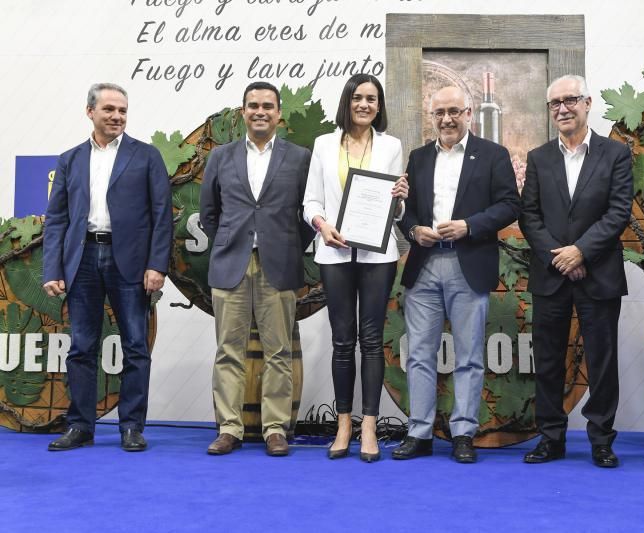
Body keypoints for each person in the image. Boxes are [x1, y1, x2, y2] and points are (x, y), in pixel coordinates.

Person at [392, 86, 520, 463]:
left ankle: (464, 432)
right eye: (439, 113)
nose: (446, 119)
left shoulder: (493, 155)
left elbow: (511, 204)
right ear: (431, 117)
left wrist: (470, 225)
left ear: (468, 114)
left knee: (468, 356)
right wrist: (413, 229)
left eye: (453, 111)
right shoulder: (417, 158)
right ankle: (420, 432)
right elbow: (408, 214)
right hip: (425, 264)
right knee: (419, 355)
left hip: (470, 263)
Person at [43, 83, 172, 452]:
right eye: (109, 110)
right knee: (81, 347)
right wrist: (53, 268)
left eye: (123, 111)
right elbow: (57, 219)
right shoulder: (69, 159)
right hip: (82, 259)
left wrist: (156, 265)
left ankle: (131, 426)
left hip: (129, 261)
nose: (117, 116)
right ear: (90, 112)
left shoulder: (147, 156)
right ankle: (80, 426)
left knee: (135, 346)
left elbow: (162, 217)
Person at [519, 74, 633, 468]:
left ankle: (601, 439)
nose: (562, 109)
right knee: (549, 360)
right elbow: (529, 216)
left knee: (601, 360)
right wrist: (560, 257)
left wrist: (581, 252)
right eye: (555, 103)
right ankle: (551, 437)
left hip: (598, 273)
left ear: (587, 103)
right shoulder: (538, 157)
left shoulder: (615, 154)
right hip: (551, 275)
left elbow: (618, 211)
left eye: (570, 100)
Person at [200, 82, 313, 457]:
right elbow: (210, 214)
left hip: (278, 265)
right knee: (228, 351)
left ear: (279, 113)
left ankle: (275, 428)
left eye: (267, 105)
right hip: (230, 264)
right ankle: (229, 428)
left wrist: (284, 243)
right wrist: (231, 241)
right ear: (242, 112)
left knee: (278, 351)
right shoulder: (220, 156)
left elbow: (308, 215)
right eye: (253, 105)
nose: (260, 111)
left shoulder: (300, 158)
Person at [303, 74, 408, 462]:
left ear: (379, 107)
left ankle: (369, 425)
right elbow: (311, 200)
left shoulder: (391, 146)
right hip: (333, 252)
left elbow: (396, 211)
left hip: (377, 255)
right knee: (343, 341)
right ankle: (343, 423)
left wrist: (400, 199)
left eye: (372, 99)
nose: (365, 104)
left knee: (372, 339)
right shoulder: (323, 144)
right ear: (347, 101)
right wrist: (322, 225)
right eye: (359, 97)